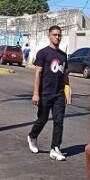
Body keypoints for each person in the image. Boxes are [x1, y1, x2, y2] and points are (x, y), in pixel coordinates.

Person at [27, 25, 69, 161]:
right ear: (49, 35)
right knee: (42, 119)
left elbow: (65, 75)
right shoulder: (43, 53)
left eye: (59, 35)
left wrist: (68, 92)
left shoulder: (63, 55)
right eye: (55, 35)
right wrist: (35, 93)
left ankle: (55, 148)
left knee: (59, 121)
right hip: (45, 92)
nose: (57, 37)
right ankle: (32, 136)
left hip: (59, 94)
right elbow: (37, 73)